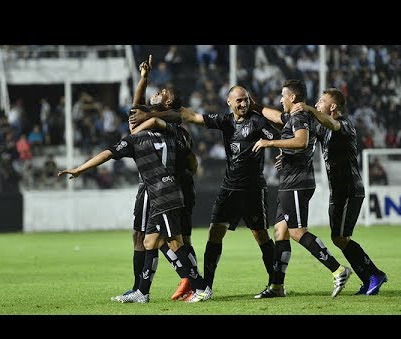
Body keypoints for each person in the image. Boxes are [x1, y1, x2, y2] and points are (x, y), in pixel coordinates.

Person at [57, 74, 211, 305]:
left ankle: (200, 286)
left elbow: (107, 153)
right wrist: (143, 81)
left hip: (162, 192)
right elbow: (188, 155)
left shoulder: (136, 140)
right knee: (150, 242)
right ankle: (142, 291)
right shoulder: (173, 132)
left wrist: (80, 169)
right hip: (170, 189)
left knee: (174, 242)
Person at [132, 85, 280, 295]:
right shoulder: (225, 121)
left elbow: (276, 136)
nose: (244, 103)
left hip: (253, 188)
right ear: (229, 102)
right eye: (239, 100)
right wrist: (151, 112)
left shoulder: (257, 121)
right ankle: (206, 285)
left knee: (260, 235)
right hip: (229, 187)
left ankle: (275, 284)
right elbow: (191, 116)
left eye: (246, 99)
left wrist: (280, 150)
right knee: (214, 233)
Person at [250, 79, 352, 298]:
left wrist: (270, 143)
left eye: (282, 95)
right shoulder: (293, 116)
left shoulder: (299, 116)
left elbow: (301, 142)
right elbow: (276, 116)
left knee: (297, 232)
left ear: (293, 97)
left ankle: (338, 270)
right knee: (280, 231)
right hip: (290, 181)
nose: (280, 99)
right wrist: (255, 107)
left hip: (297, 182)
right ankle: (277, 287)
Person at [113, 55, 199, 302]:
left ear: (168, 100)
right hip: (165, 186)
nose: (157, 92)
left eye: (161, 91)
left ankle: (190, 281)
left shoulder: (169, 123)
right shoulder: (159, 120)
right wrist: (143, 78)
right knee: (154, 237)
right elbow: (137, 106)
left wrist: (146, 118)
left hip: (161, 187)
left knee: (159, 238)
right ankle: (151, 286)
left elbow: (172, 114)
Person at [296, 87, 387, 295]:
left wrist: (309, 109)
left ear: (333, 106)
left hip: (349, 190)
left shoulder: (344, 124)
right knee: (338, 238)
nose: (318, 104)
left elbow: (332, 123)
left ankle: (374, 274)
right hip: (337, 191)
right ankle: (369, 278)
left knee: (342, 237)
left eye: (321, 101)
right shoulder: (322, 128)